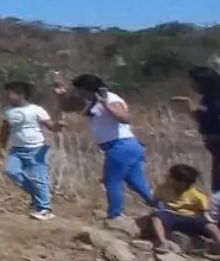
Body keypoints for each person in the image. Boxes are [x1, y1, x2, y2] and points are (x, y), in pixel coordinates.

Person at [57, 73, 155, 219]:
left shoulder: (110, 99)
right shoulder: (90, 102)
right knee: (136, 183)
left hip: (121, 145)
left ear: (87, 89)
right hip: (123, 147)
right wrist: (61, 94)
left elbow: (124, 118)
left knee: (112, 181)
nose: (78, 93)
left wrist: (104, 103)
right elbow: (66, 107)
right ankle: (162, 208)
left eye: (80, 90)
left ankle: (115, 215)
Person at [142, 164, 220, 261]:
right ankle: (163, 242)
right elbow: (155, 202)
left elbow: (204, 213)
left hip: (192, 217)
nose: (170, 180)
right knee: (156, 217)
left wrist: (206, 223)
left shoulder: (197, 196)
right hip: (172, 215)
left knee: (213, 227)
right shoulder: (163, 189)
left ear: (183, 183)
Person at [0, 82, 59, 220]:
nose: (8, 96)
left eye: (11, 93)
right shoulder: (8, 111)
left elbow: (51, 126)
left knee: (39, 180)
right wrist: (1, 146)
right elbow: (4, 130)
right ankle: (38, 196)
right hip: (16, 150)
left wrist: (58, 125)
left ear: (22, 94)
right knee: (11, 171)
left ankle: (45, 209)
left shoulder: (37, 110)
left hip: (36, 149)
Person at [176, 67, 220, 191]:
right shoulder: (207, 99)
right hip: (217, 149)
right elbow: (201, 118)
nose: (192, 86)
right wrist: (188, 105)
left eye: (194, 82)